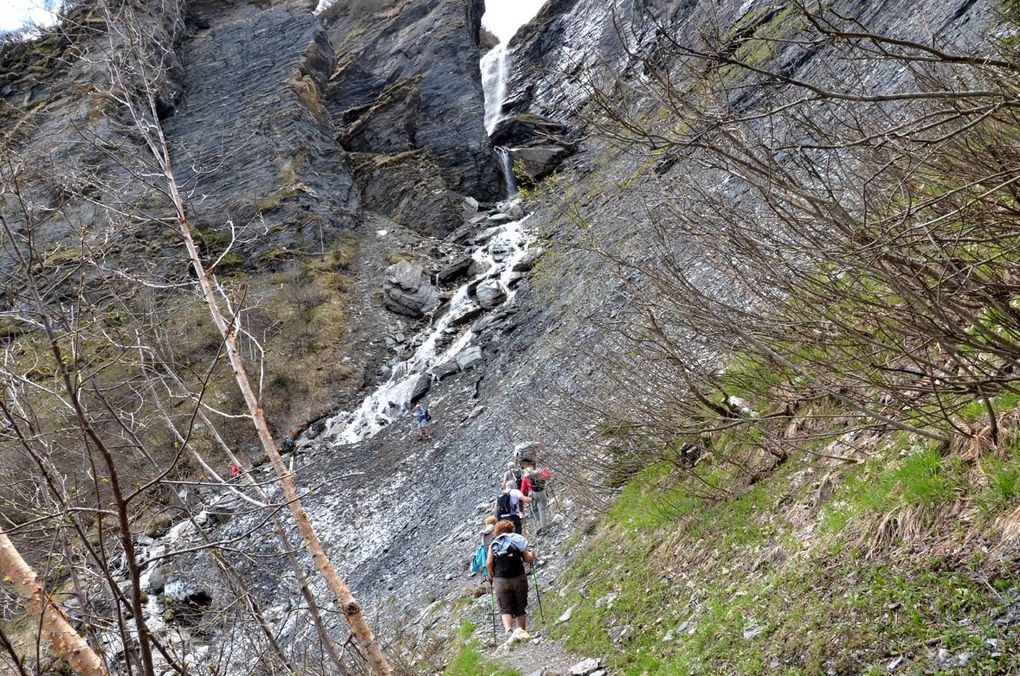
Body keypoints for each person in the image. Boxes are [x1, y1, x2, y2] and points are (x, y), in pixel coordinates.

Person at [486, 519, 535, 636]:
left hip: (500, 580)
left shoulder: (494, 544)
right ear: (511, 529)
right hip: (519, 578)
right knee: (520, 608)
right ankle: (522, 633)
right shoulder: (517, 540)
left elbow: (488, 563)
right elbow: (528, 559)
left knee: (505, 608)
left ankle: (508, 631)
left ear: (496, 531)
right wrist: (532, 556)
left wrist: (490, 576)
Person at [528, 466, 551, 533]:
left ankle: (537, 521)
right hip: (541, 493)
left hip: (533, 493)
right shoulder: (542, 477)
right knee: (542, 510)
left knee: (534, 508)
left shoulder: (529, 478)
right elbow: (548, 478)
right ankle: (543, 526)